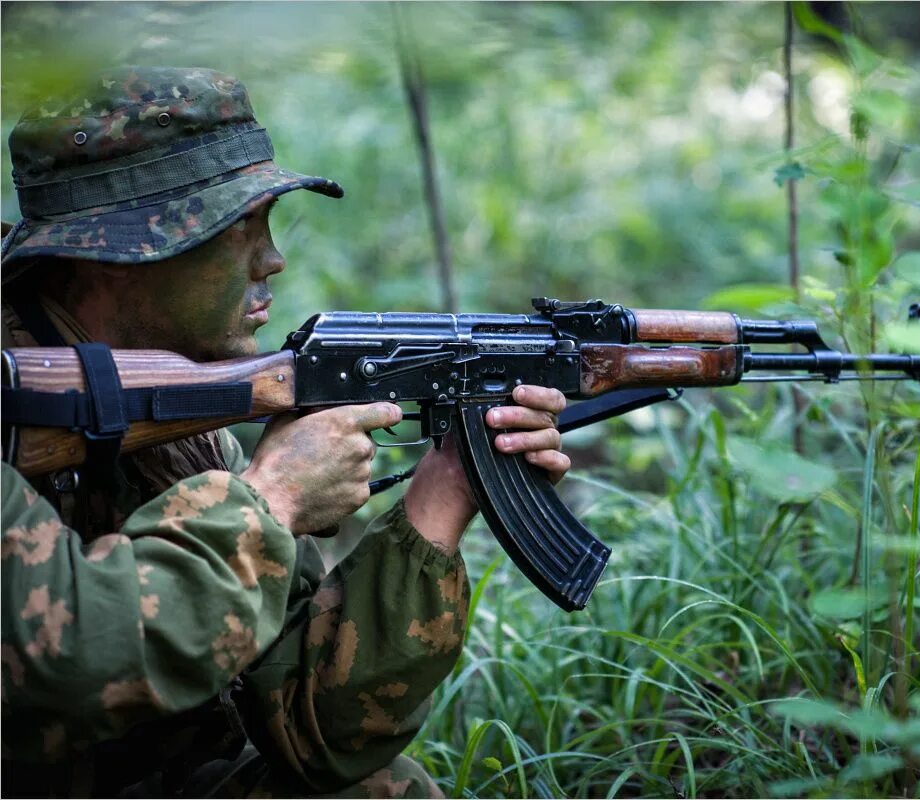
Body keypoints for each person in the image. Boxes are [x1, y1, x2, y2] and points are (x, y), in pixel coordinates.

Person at [0, 66, 570, 798]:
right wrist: (268, 501)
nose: (273, 259)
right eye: (239, 229)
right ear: (121, 251)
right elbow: (71, 668)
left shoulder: (182, 418)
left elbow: (314, 732)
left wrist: (448, 489)